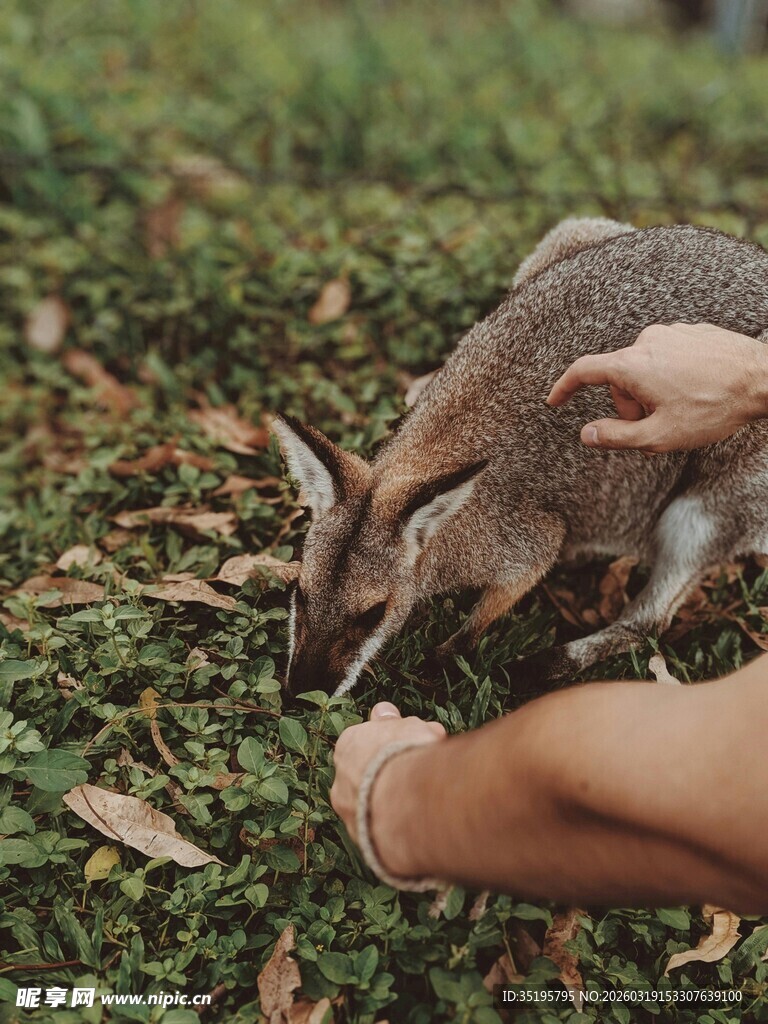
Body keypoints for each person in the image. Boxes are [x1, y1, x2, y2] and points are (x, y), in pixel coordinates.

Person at [330, 322, 768, 910]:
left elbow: (592, 770)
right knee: (571, 235)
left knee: (690, 524)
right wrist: (749, 373)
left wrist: (397, 801)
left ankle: (637, 623)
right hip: (716, 362)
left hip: (717, 462)